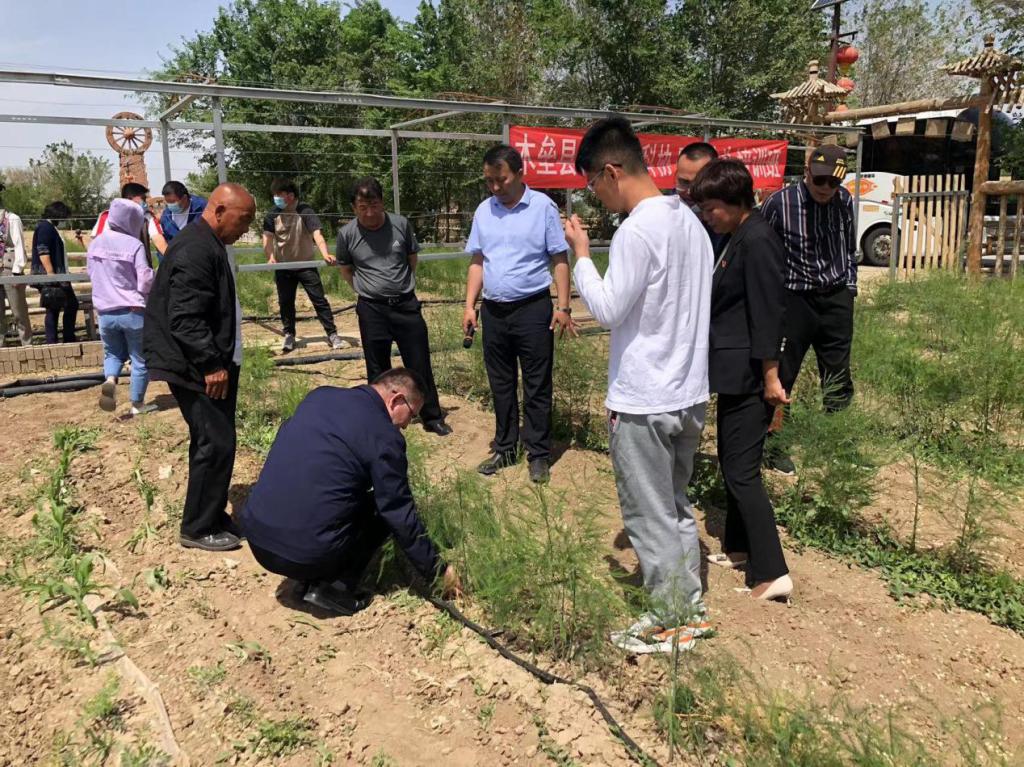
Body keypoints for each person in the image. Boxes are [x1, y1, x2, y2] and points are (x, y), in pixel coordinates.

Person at [564, 117, 712, 653]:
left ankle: (670, 621)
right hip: (689, 392)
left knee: (649, 513)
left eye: (592, 184)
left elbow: (607, 310)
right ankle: (688, 606)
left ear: (611, 171)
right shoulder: (689, 222)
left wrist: (582, 256)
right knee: (674, 504)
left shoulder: (636, 230)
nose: (595, 195)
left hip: (645, 398)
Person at [240, 368, 462, 616]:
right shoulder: (384, 436)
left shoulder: (320, 396)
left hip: (257, 538)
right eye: (411, 414)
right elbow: (399, 512)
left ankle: (307, 576)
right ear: (396, 399)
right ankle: (334, 587)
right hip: (304, 555)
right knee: (381, 510)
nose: (407, 425)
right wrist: (438, 571)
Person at [690, 158, 793, 602]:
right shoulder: (738, 236)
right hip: (735, 372)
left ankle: (773, 571)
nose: (707, 215)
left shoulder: (759, 240)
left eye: (711, 207)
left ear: (735, 201)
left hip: (754, 375)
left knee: (742, 470)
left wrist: (771, 376)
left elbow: (768, 313)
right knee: (730, 458)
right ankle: (739, 547)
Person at [144, 183, 255, 552]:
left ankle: (212, 514)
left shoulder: (209, 242)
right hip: (195, 366)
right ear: (219, 211)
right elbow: (185, 317)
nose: (246, 229)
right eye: (243, 220)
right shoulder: (195, 249)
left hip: (207, 361)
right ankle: (197, 528)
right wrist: (211, 364)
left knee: (217, 440)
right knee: (214, 441)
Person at [463, 145, 577, 483]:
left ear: (519, 173)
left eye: (501, 179)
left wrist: (563, 306)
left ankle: (538, 453)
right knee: (500, 383)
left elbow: (559, 259)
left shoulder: (542, 207)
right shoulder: (484, 211)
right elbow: (478, 261)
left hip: (532, 309)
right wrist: (469, 305)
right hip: (494, 311)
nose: (495, 187)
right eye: (489, 181)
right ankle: (505, 448)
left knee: (536, 383)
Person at [761, 144, 857, 475]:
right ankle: (774, 446)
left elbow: (849, 247)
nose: (826, 188)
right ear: (806, 174)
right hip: (794, 300)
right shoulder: (779, 204)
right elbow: (761, 250)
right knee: (782, 375)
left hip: (836, 299)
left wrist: (850, 289)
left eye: (834, 182)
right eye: (820, 181)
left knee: (838, 375)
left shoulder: (845, 201)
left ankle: (836, 442)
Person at [337, 177, 451, 436]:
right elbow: (346, 270)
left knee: (419, 362)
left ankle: (431, 416)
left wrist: (398, 286)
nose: (369, 213)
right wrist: (367, 289)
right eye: (362, 207)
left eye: (374, 205)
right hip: (372, 310)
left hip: (405, 306)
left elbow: (412, 259)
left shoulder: (400, 225)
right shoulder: (347, 234)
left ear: (382, 203)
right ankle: (381, 418)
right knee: (377, 366)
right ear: (354, 208)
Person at [87, 199, 157, 416]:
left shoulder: (95, 243)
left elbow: (91, 273)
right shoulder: (134, 245)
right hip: (132, 310)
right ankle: (137, 404)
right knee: (139, 358)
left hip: (105, 311)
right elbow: (144, 279)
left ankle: (110, 379)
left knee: (112, 353)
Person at [262, 178, 345, 352]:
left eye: (279, 195)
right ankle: (289, 335)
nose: (276, 198)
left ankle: (332, 334)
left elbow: (317, 234)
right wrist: (270, 257)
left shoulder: (305, 211)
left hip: (306, 264)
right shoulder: (272, 214)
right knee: (285, 302)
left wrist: (325, 254)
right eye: (275, 195)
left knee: (319, 300)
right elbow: (267, 238)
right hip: (283, 267)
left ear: (290, 196)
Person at [31, 202, 78, 345]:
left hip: (58, 275)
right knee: (57, 307)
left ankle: (61, 339)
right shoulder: (45, 228)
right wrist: (51, 274)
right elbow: (43, 251)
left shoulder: (49, 227)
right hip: (52, 276)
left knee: (60, 306)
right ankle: (58, 340)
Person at [675, 142, 729, 259]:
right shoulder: (661, 211)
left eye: (698, 183)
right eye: (684, 182)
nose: (689, 191)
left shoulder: (728, 220)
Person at [92, 182, 169, 261]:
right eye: (143, 199)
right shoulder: (106, 216)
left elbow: (159, 241)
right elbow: (97, 244)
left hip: (141, 266)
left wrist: (172, 260)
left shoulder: (148, 217)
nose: (145, 203)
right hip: (113, 265)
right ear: (129, 199)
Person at [0, 184, 32, 347]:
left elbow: (19, 245)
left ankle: (27, 344)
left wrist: (17, 271)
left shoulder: (11, 219)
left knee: (18, 311)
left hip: (9, 267)